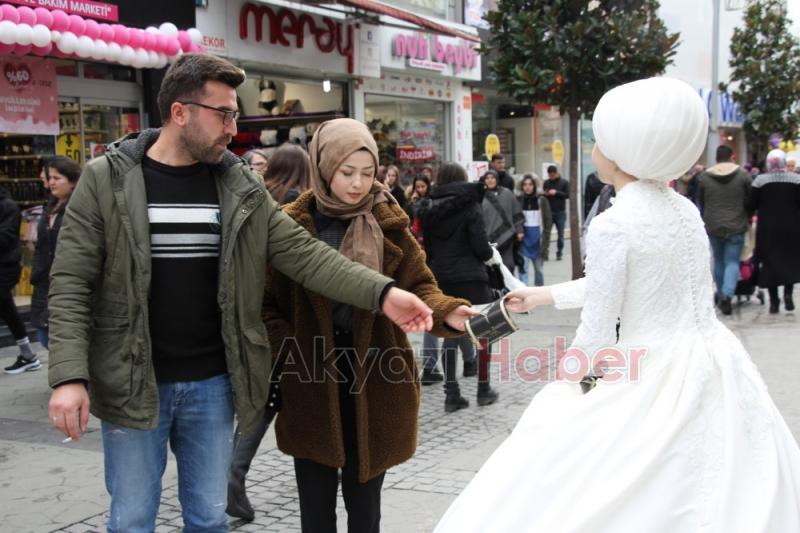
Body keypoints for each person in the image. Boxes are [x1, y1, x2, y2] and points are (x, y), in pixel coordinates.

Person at [46, 54, 435, 533]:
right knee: (131, 519)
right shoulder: (107, 181)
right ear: (180, 112)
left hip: (213, 383)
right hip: (132, 382)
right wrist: (68, 376)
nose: (233, 127)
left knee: (210, 519)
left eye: (236, 114)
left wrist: (383, 294)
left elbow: (306, 255)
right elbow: (70, 285)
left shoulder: (239, 185)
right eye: (224, 114)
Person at [433, 77, 800, 533]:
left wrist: (569, 383)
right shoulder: (682, 208)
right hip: (715, 360)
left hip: (650, 368)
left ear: (622, 151)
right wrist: (546, 295)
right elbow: (638, 284)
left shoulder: (615, 223)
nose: (594, 151)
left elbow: (600, 327)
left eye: (600, 142)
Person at [260, 118, 477, 532]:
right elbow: (263, 305)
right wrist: (292, 346)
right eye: (346, 172)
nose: (358, 184)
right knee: (316, 512)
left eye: (367, 172)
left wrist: (446, 310)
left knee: (366, 513)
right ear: (322, 167)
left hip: (376, 376)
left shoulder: (388, 221)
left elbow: (420, 285)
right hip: (309, 379)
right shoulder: (288, 224)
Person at [418, 163, 500, 412]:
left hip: (442, 276)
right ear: (462, 179)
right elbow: (479, 244)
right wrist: (491, 257)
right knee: (484, 331)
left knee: (450, 332)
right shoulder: (470, 204)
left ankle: (451, 393)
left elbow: (428, 247)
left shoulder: (428, 207)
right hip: (472, 277)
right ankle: (483, 389)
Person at [29, 156, 81, 350]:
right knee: (44, 335)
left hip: (67, 280)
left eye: (57, 178)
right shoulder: (51, 206)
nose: (51, 182)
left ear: (73, 181)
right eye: (50, 177)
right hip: (45, 281)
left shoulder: (80, 207)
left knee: (59, 339)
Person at [696, 145, 752, 315]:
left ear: (716, 158)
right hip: (736, 225)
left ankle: (721, 294)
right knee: (732, 261)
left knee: (718, 261)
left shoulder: (705, 177)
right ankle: (727, 295)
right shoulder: (743, 175)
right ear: (732, 157)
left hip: (713, 225)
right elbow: (749, 200)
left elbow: (700, 202)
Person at [746, 149, 800, 314]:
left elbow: (750, 205)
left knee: (769, 262)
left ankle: (774, 301)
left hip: (767, 229)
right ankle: (788, 294)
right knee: (789, 260)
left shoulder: (760, 181)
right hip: (792, 227)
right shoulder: (796, 180)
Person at [0, 185, 38, 374]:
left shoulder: (7, 206)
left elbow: (5, 237)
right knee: (7, 308)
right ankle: (28, 355)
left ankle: (29, 355)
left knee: (5, 304)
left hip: (5, 265)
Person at [481, 170, 523, 273]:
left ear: (497, 179)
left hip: (508, 236)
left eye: (492, 178)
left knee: (508, 265)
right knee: (492, 267)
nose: (490, 180)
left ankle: (510, 288)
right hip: (488, 238)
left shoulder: (507, 193)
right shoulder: (480, 195)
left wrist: (519, 229)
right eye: (487, 178)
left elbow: (516, 212)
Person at [517, 175, 551, 286]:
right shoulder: (518, 201)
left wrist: (546, 240)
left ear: (535, 186)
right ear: (522, 186)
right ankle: (524, 291)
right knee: (523, 269)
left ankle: (539, 291)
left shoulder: (542, 200)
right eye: (525, 184)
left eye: (530, 184)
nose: (527, 187)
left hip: (538, 239)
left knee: (539, 270)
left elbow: (547, 221)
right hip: (524, 239)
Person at [542, 164, 569, 260]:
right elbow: (543, 195)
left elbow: (568, 195)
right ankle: (545, 253)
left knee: (560, 234)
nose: (551, 177)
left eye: (553, 175)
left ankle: (559, 253)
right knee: (546, 233)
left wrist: (556, 192)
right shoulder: (546, 183)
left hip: (560, 212)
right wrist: (546, 194)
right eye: (550, 175)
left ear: (557, 173)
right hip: (549, 212)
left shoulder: (564, 182)